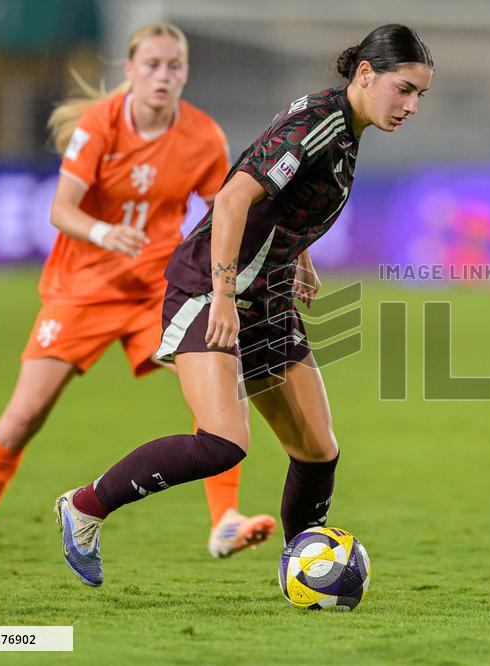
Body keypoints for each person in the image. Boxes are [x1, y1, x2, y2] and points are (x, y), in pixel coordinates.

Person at [52, 24, 434, 588]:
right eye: (404, 89)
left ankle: (304, 573)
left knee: (317, 450)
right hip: (210, 289)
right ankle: (85, 507)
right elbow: (233, 196)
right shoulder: (321, 126)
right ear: (365, 74)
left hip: (269, 295)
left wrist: (298, 255)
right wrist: (225, 295)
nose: (411, 105)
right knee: (223, 444)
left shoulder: (344, 128)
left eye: (420, 95)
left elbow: (281, 200)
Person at [0, 21, 276, 559]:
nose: (163, 76)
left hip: (153, 291)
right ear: (130, 69)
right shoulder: (100, 124)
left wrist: (284, 256)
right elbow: (61, 209)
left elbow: (228, 210)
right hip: (82, 290)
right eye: (153, 65)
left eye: (174, 66)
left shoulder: (204, 136)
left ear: (186, 73)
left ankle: (224, 519)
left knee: (214, 373)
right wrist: (103, 231)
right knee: (25, 415)